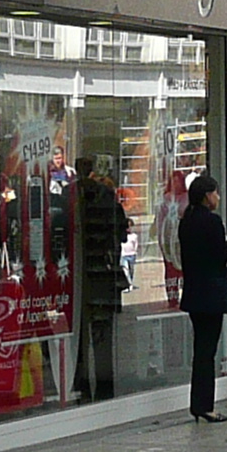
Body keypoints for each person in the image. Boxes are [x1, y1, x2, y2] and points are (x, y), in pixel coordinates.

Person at [179, 172, 227, 421]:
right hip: (210, 295)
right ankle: (204, 405)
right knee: (208, 351)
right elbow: (221, 256)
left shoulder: (186, 220)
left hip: (195, 292)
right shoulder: (211, 221)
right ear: (208, 196)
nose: (218, 197)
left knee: (201, 350)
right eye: (216, 193)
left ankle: (199, 404)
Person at [74, 156, 130, 400]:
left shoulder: (69, 196)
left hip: (78, 277)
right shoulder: (107, 197)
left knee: (79, 338)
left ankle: (82, 389)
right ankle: (105, 390)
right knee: (103, 337)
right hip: (104, 276)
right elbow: (122, 235)